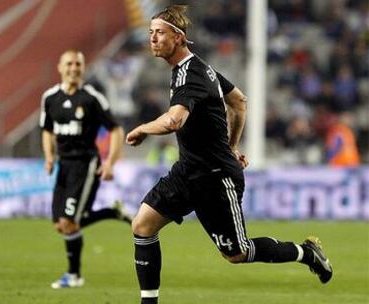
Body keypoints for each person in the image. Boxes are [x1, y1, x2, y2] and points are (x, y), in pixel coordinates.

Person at [125, 5, 333, 304]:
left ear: (179, 37)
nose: (153, 39)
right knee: (142, 226)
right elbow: (238, 101)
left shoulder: (191, 74)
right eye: (150, 33)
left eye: (159, 33)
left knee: (238, 253)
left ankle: (305, 252)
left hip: (215, 178)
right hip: (188, 172)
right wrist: (233, 145)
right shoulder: (197, 69)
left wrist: (144, 128)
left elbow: (174, 121)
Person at [40, 49, 130, 289]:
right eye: (69, 64)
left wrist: (110, 162)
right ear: (60, 67)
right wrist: (49, 157)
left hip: (85, 165)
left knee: (69, 222)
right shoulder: (50, 98)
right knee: (60, 224)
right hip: (63, 165)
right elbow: (47, 130)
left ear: (83, 68)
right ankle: (113, 212)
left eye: (78, 64)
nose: (73, 68)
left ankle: (74, 276)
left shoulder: (91, 98)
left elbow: (116, 130)